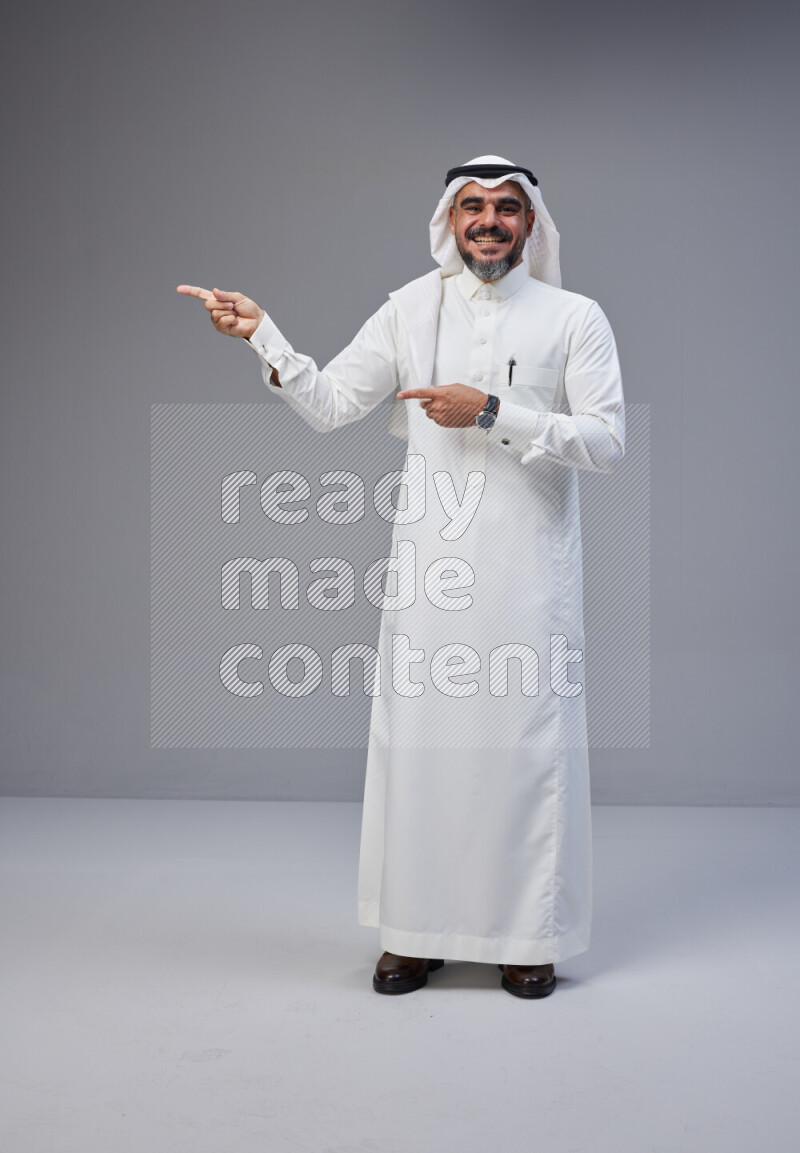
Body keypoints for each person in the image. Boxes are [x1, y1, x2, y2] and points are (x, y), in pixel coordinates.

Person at [177, 154, 625, 999]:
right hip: (431, 574)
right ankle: (413, 935)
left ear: (531, 223)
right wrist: (262, 335)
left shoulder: (576, 318)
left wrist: (491, 411)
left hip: (531, 577)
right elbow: (331, 403)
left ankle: (528, 937)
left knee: (524, 750)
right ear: (449, 222)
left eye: (505, 208)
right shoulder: (409, 311)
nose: (488, 221)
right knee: (420, 750)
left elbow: (606, 441)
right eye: (472, 207)